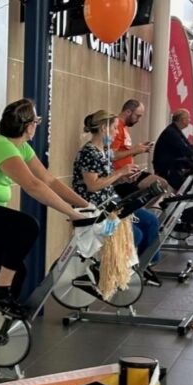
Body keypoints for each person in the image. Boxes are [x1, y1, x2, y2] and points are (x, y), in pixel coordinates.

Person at [0, 98, 90, 316]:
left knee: (17, 273)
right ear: (29, 126)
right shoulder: (2, 147)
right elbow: (33, 185)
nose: (36, 126)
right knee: (27, 226)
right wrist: (72, 214)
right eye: (37, 121)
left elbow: (48, 179)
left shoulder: (21, 148)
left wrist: (87, 206)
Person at [72, 110, 161, 282]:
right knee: (135, 234)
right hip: (97, 207)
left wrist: (122, 178)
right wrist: (120, 172)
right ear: (104, 128)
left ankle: (144, 266)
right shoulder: (89, 153)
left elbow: (105, 181)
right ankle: (111, 270)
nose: (116, 132)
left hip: (112, 202)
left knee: (150, 221)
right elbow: (92, 186)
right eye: (114, 128)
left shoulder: (104, 151)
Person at [152, 109, 193, 231]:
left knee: (190, 188)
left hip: (173, 167)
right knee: (188, 190)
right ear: (182, 120)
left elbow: (189, 147)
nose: (190, 120)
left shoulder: (176, 131)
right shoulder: (171, 133)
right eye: (188, 118)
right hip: (166, 169)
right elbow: (185, 150)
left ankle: (189, 222)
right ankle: (187, 223)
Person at [110, 99, 169, 198]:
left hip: (130, 172)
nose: (138, 120)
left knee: (161, 184)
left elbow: (123, 153)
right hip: (121, 175)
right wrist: (134, 150)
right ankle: (141, 211)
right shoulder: (117, 127)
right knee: (156, 187)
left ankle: (144, 211)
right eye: (137, 116)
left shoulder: (124, 127)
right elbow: (112, 155)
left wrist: (138, 150)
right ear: (128, 112)